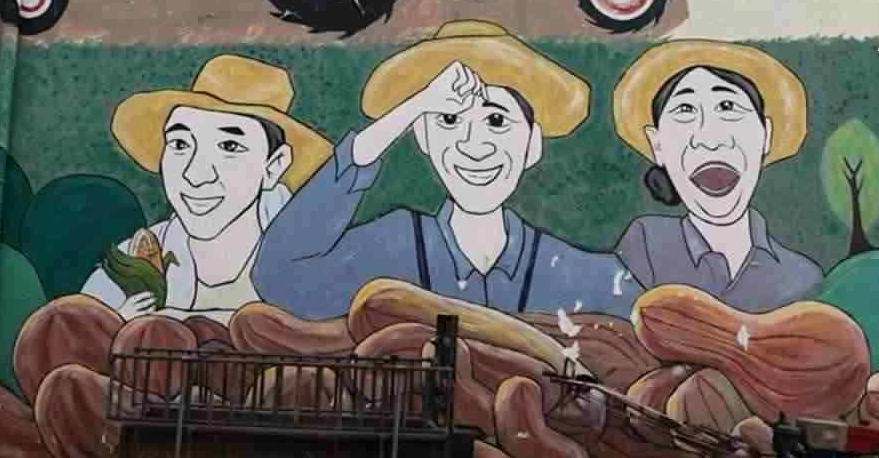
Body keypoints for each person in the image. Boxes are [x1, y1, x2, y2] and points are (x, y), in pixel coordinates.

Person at [254, 20, 640, 318]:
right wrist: (410, 109)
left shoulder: (580, 273)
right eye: (449, 120)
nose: (474, 145)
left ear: (532, 145)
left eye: (497, 121)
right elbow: (280, 275)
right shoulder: (393, 248)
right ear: (422, 136)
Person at [84, 55, 333, 315]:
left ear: (274, 166)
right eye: (180, 144)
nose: (195, 175)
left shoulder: (314, 261)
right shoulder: (125, 271)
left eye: (229, 146)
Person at [612, 40, 826, 312]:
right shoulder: (646, 243)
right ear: (657, 145)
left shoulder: (801, 277)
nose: (710, 139)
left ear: (766, 136)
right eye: (685, 110)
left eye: (727, 106)